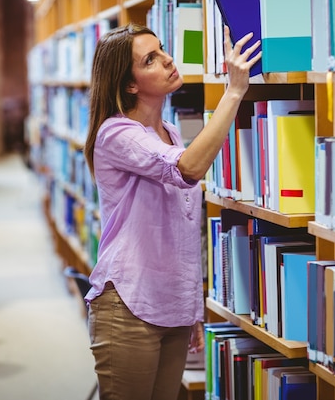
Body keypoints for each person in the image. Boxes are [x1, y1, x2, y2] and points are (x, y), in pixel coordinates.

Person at [83, 22, 261, 400]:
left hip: (172, 306)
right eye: (150, 60)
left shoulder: (171, 132)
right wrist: (234, 90)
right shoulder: (116, 134)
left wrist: (190, 307)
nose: (167, 60)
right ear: (130, 84)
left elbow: (181, 232)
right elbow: (189, 170)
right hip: (128, 304)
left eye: (162, 49)